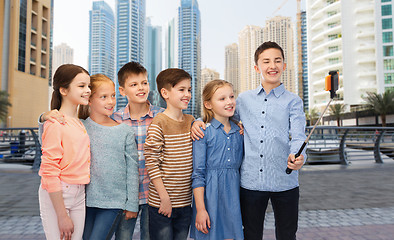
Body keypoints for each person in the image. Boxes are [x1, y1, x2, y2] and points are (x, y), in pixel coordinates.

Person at [191, 41, 307, 240]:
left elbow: (298, 136)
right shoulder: (243, 99)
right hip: (251, 182)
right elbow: (219, 113)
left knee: (287, 235)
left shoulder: (293, 101)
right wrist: (198, 122)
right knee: (251, 235)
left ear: (284, 66)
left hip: (285, 181)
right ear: (257, 67)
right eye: (266, 61)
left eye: (278, 61)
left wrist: (299, 156)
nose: (273, 66)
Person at [78, 74, 139, 240]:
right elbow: (47, 137)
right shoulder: (80, 127)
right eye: (103, 97)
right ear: (89, 100)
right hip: (85, 201)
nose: (111, 101)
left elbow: (132, 170)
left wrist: (132, 204)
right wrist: (44, 118)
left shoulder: (124, 131)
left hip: (114, 202)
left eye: (113, 96)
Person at [38, 64, 91, 240]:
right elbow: (49, 171)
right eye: (81, 86)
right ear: (63, 90)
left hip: (79, 192)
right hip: (59, 192)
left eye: (88, 86)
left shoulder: (79, 123)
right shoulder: (54, 124)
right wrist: (61, 215)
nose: (88, 90)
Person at [112, 62, 164, 240]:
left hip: (155, 194)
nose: (141, 88)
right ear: (122, 90)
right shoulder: (114, 120)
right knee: (123, 237)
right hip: (126, 196)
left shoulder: (162, 116)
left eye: (144, 83)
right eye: (134, 85)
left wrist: (197, 123)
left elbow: (187, 123)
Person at [144, 68, 195, 240]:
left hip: (185, 203)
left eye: (189, 90)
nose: (187, 94)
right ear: (165, 93)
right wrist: (164, 199)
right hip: (162, 203)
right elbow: (151, 162)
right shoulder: (159, 123)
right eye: (181, 90)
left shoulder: (191, 121)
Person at [190, 80, 244, 240]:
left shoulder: (240, 132)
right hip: (209, 198)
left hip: (234, 197)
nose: (229, 102)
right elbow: (198, 174)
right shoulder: (203, 132)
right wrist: (200, 209)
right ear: (208, 104)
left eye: (232, 97)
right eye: (222, 99)